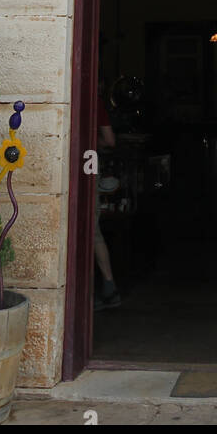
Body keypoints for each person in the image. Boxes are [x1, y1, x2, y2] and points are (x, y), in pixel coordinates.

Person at [94, 92, 121, 310]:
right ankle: (108, 285)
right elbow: (110, 140)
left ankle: (109, 288)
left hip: (81, 164)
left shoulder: (93, 100)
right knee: (93, 232)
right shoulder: (96, 100)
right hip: (91, 164)